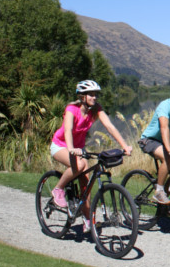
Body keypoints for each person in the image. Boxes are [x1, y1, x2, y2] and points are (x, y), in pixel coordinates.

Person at [50, 80, 133, 231]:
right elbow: (68, 130)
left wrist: (124, 146)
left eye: (95, 95)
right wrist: (71, 149)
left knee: (86, 184)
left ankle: (88, 220)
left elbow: (109, 126)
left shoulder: (96, 109)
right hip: (61, 146)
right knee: (80, 165)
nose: (94, 98)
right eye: (91, 95)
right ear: (82, 96)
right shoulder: (71, 109)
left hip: (79, 149)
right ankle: (58, 189)